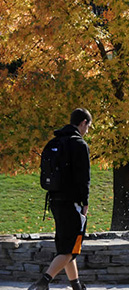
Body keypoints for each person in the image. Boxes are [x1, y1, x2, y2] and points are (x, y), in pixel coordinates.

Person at [29, 108, 92, 290]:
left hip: (54, 200)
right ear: (83, 123)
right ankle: (43, 282)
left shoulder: (55, 142)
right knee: (70, 248)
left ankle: (76, 285)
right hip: (71, 202)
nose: (87, 130)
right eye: (88, 126)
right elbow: (83, 178)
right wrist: (85, 202)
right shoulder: (79, 145)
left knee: (66, 246)